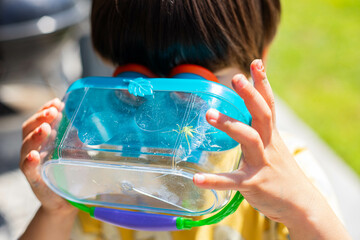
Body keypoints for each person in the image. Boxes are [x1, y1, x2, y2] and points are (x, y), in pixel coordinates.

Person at [19, 0, 351, 239]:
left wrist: (300, 209)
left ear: (259, 55)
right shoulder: (102, 171)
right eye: (133, 85)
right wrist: (58, 211)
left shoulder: (283, 179)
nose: (159, 114)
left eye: (191, 91)